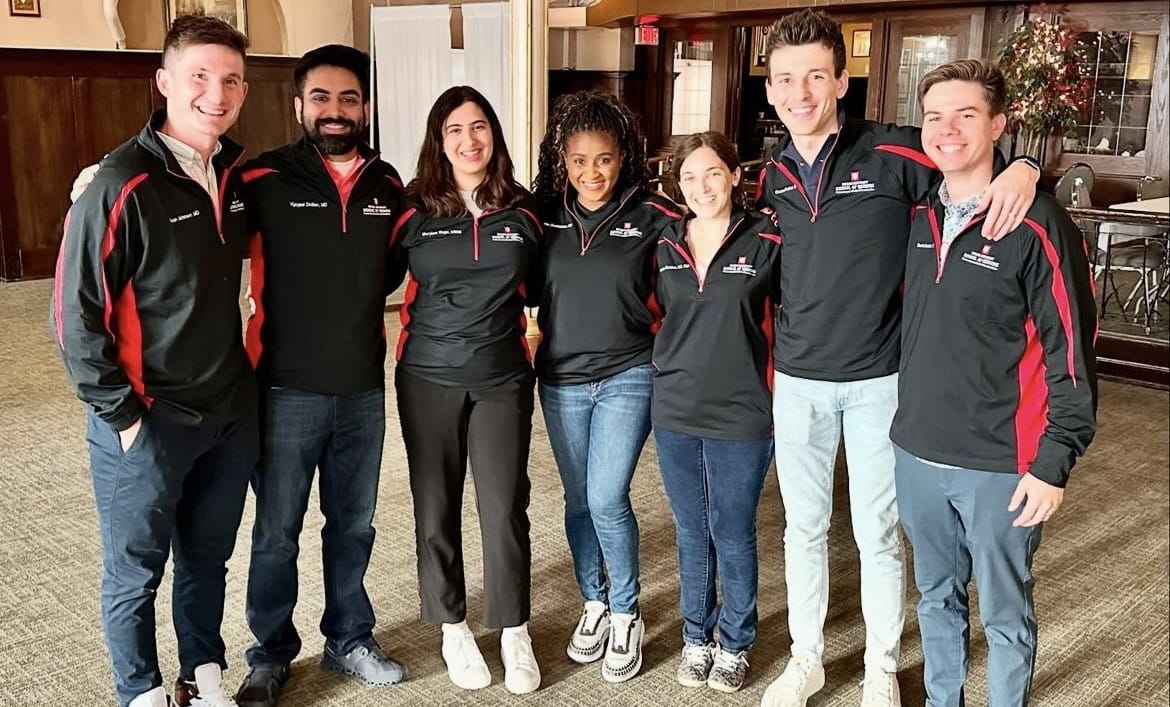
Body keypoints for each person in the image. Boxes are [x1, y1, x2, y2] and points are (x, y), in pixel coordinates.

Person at [754, 11, 1040, 706]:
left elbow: (967, 160)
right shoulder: (770, 176)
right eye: (785, 78)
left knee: (877, 531)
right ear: (769, 89)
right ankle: (807, 658)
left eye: (815, 75)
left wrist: (1028, 166)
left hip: (880, 380)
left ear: (840, 81)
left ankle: (881, 665)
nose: (800, 92)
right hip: (796, 381)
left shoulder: (892, 151)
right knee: (804, 526)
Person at [51, 14, 256, 707]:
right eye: (199, 76)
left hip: (228, 415)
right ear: (164, 81)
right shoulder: (118, 183)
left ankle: (202, 677)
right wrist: (126, 417)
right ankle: (139, 692)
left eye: (230, 79)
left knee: (207, 558)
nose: (215, 93)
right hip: (146, 421)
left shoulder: (237, 173)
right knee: (134, 572)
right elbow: (74, 319)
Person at [892, 58, 1097, 706]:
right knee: (935, 598)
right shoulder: (921, 214)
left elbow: (1072, 353)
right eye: (934, 116)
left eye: (966, 115)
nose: (946, 129)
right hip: (917, 451)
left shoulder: (1039, 225)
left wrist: (1054, 462)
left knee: (1005, 614)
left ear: (999, 125)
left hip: (1003, 465)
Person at [232, 45, 408, 706]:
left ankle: (349, 638)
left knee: (354, 523)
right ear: (299, 104)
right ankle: (270, 653)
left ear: (365, 106)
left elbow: (391, 271)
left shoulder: (387, 185)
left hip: (362, 386)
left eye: (349, 99)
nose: (336, 112)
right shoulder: (261, 179)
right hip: (283, 388)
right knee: (277, 528)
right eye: (323, 99)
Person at [388, 85, 542, 695]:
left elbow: (557, 285)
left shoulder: (527, 211)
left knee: (504, 506)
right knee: (435, 505)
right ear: (438, 140)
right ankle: (452, 626)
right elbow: (352, 268)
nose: (469, 140)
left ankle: (513, 629)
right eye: (454, 129)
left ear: (494, 136)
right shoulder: (411, 210)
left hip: (502, 378)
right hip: (427, 375)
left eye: (479, 127)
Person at [530, 90, 682, 682]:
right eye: (578, 160)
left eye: (604, 159)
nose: (591, 172)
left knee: (605, 497)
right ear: (562, 161)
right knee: (575, 502)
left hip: (628, 374)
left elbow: (710, 246)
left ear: (625, 158)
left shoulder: (655, 216)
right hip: (561, 380)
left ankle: (625, 610)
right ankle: (592, 601)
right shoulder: (543, 219)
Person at [652, 132, 782, 695]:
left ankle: (735, 640)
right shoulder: (663, 243)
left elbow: (791, 318)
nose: (701, 187)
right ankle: (696, 636)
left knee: (731, 530)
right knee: (689, 529)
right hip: (676, 407)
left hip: (743, 411)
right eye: (689, 177)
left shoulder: (767, 239)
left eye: (712, 173)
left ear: (734, 175)